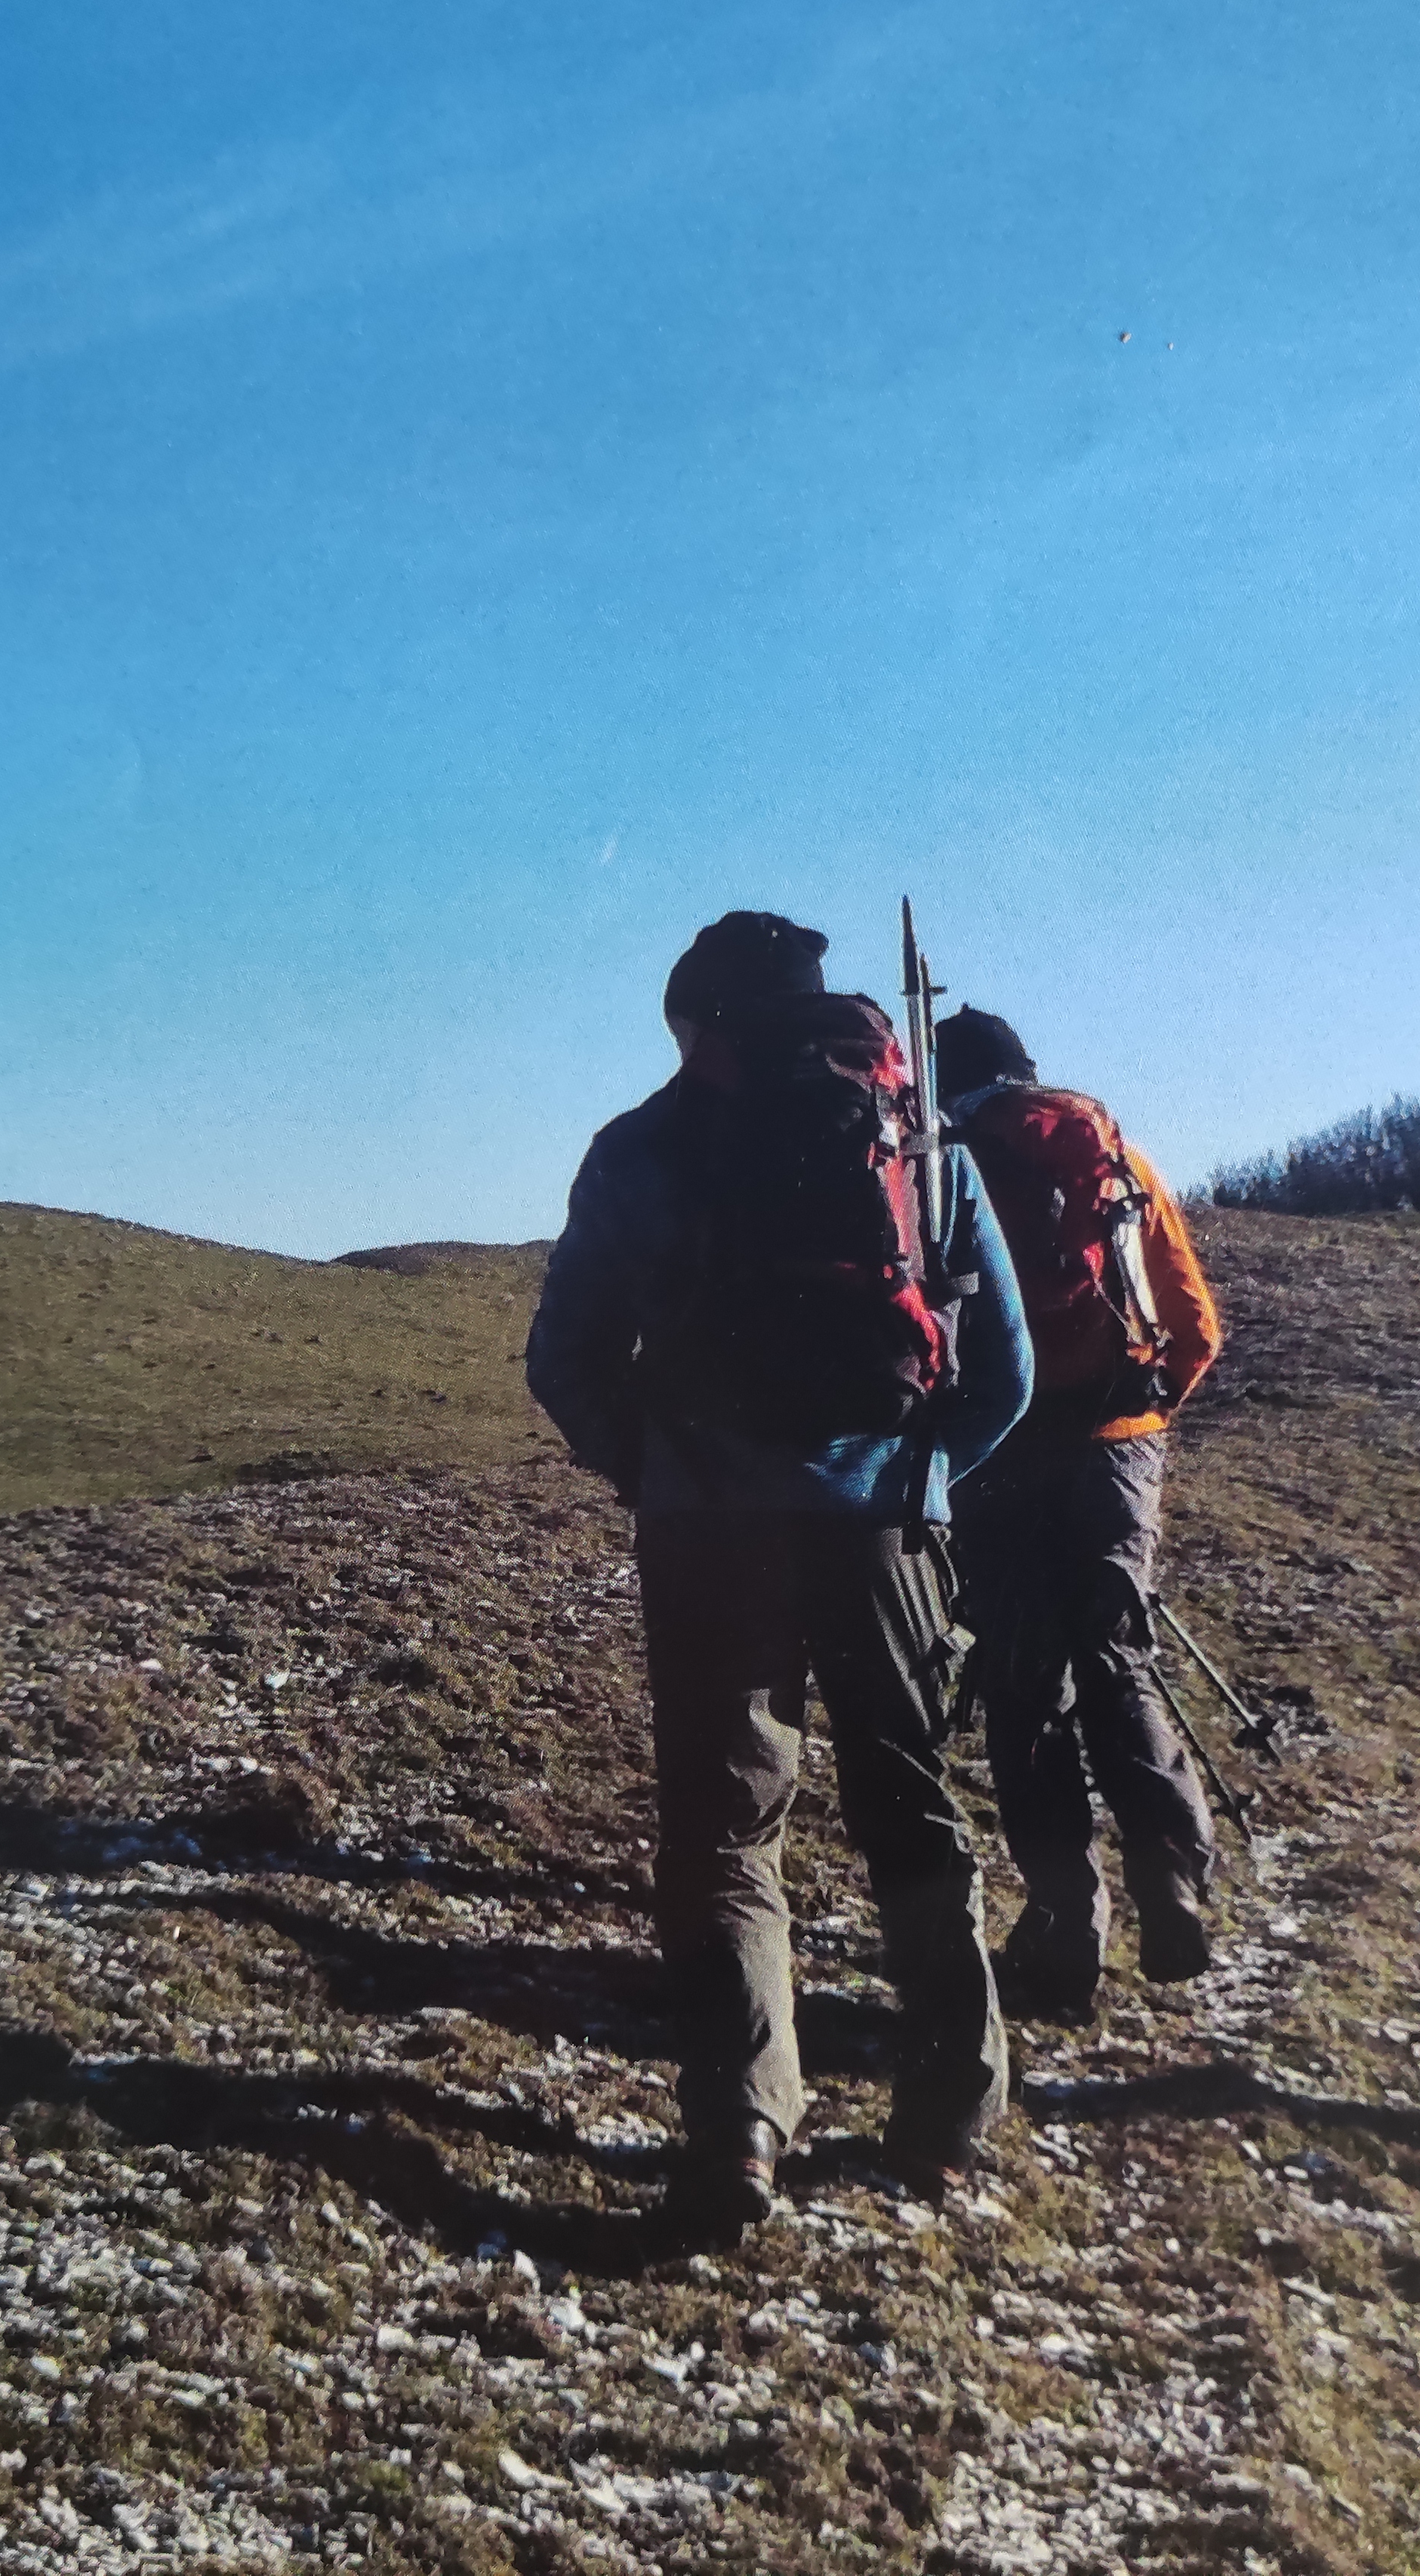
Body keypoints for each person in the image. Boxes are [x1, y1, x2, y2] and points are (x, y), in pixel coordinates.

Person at [526, 910, 1036, 2244]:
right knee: (909, 1806)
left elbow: (563, 1356)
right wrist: (921, 1479)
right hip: (881, 1524)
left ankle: (743, 2122)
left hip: (708, 1529)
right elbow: (1009, 1375)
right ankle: (952, 2109)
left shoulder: (640, 1147)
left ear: (699, 1025)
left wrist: (651, 1466)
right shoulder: (916, 1144)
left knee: (727, 1832)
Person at [929, 1007, 1226, 2023]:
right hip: (1117, 1446)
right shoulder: (1120, 1161)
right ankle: (1172, 1881)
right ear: (1030, 1072)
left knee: (1025, 1686)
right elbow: (1195, 1328)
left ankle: (1068, 1920)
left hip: (1002, 1453)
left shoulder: (946, 1167)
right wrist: (1139, 1415)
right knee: (1118, 1656)